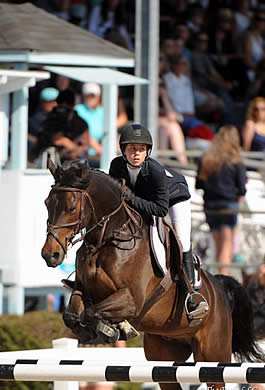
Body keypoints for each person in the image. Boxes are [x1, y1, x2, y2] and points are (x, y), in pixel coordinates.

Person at [109, 123, 209, 320]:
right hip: (146, 199)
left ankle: (191, 295)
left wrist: (130, 198)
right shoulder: (116, 166)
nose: (136, 154)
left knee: (181, 241)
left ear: (147, 152)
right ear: (123, 151)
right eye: (132, 149)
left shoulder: (155, 171)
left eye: (141, 149)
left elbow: (160, 209)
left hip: (174, 198)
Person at [195, 125, 247, 275]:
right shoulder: (236, 161)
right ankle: (224, 281)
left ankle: (218, 278)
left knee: (218, 245)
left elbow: (199, 184)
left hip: (210, 205)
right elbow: (242, 188)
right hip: (228, 205)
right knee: (227, 246)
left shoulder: (206, 158)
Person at [33, 89, 90, 164]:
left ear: (72, 106)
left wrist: (70, 146)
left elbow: (85, 148)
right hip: (48, 163)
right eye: (60, 109)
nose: (63, 114)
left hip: (73, 166)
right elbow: (35, 152)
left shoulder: (80, 123)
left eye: (66, 110)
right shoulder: (48, 120)